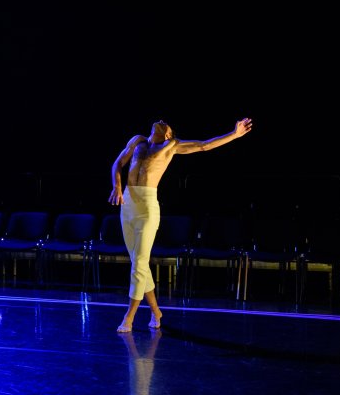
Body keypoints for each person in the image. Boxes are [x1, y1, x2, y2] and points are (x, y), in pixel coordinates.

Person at [108, 117, 253, 332]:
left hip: (148, 207)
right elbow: (118, 164)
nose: (161, 121)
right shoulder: (137, 141)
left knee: (139, 263)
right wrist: (117, 187)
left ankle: (129, 316)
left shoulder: (171, 145)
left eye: (166, 124)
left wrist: (234, 134)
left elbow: (204, 146)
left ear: (169, 134)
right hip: (127, 204)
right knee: (139, 263)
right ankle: (156, 311)